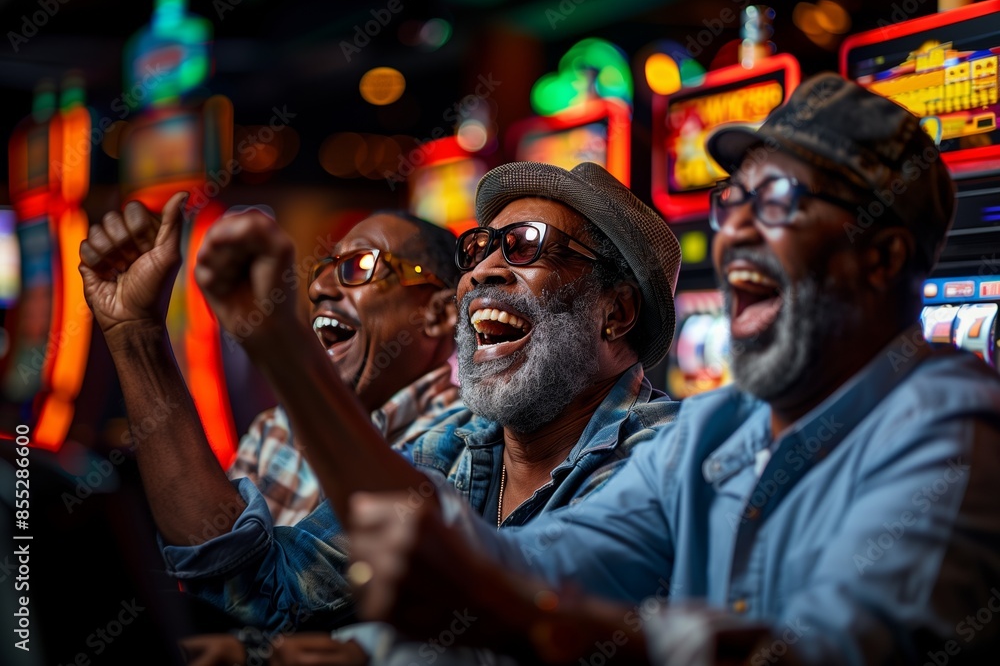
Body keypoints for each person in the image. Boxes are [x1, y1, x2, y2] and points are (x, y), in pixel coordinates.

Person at [344, 72, 1000, 665]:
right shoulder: (717, 428)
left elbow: (834, 650)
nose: (736, 229)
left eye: (775, 200)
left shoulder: (952, 428)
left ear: (880, 257)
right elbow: (549, 557)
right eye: (733, 200)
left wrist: (532, 618)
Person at [81, 161, 682, 649]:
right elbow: (261, 589)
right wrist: (135, 336)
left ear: (616, 313)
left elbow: (530, 615)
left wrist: (283, 349)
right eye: (478, 248)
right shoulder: (450, 445)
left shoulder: (671, 458)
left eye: (525, 246)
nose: (481, 272)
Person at [226, 209, 464, 527]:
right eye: (325, 268)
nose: (319, 289)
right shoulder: (276, 428)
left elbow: (295, 574)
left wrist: (278, 348)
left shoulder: (469, 441)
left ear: (438, 315)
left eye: (361, 265)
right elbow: (209, 566)